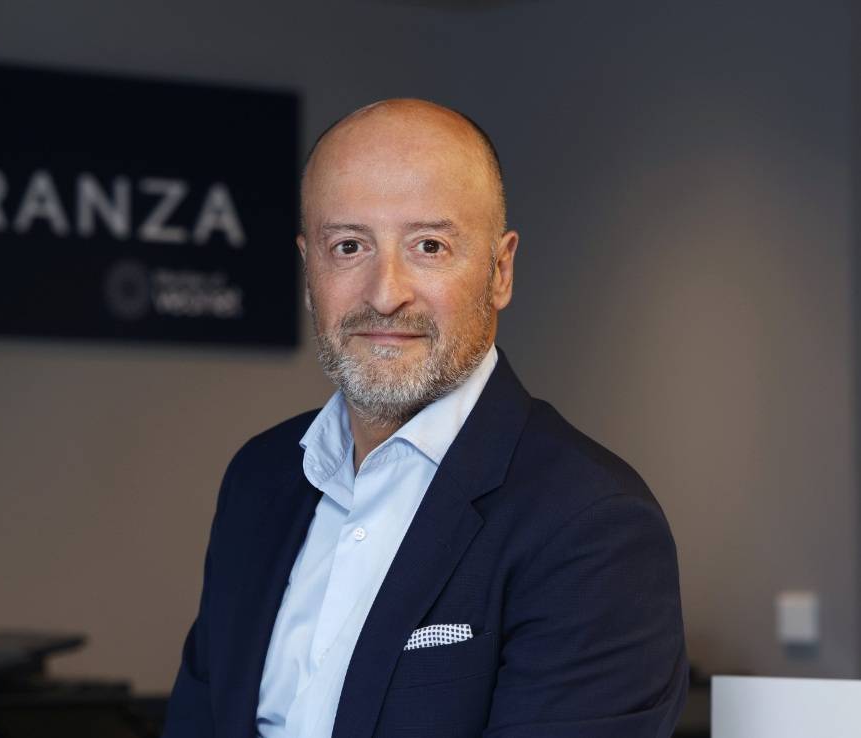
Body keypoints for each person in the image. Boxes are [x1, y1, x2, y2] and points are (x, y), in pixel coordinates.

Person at [162, 98, 687, 738]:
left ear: (500, 271)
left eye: (429, 246)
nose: (386, 293)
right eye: (349, 246)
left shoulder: (592, 526)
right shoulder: (259, 478)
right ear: (308, 271)